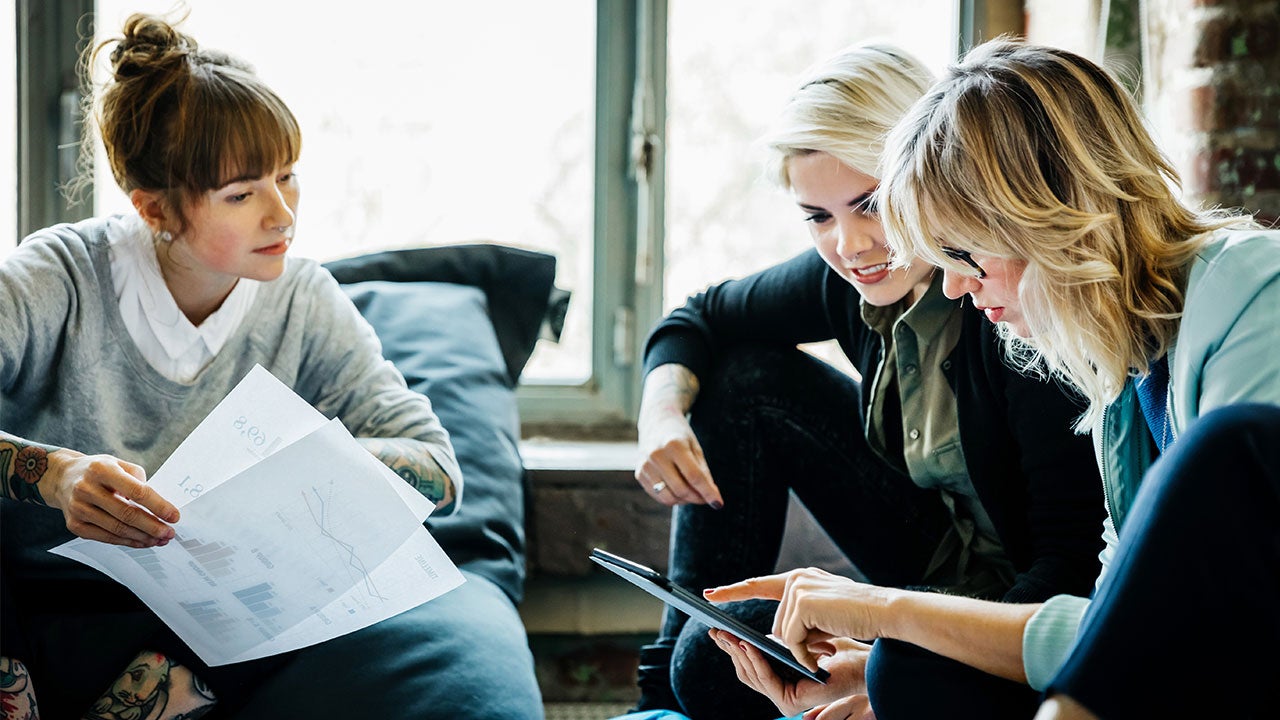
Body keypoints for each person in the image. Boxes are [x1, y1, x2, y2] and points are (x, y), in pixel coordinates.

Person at [709, 37, 1280, 720]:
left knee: (1226, 444)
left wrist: (888, 608)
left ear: (1046, 215)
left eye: (964, 252)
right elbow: (1110, 620)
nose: (953, 285)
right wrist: (877, 670)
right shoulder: (1118, 373)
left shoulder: (1250, 286)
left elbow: (1196, 624)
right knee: (902, 673)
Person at [0, 13, 542, 720]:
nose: (283, 214)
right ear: (154, 207)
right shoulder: (56, 276)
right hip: (30, 591)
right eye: (241, 193)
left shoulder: (304, 299)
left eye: (288, 178)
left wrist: (293, 475)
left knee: (298, 587)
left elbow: (438, 471)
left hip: (198, 623)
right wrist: (57, 477)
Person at [625, 42, 1106, 720]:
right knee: (743, 383)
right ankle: (654, 709)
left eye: (872, 205)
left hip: (1013, 609)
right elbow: (700, 317)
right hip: (926, 554)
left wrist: (895, 661)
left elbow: (1068, 579)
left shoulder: (1010, 306)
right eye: (818, 217)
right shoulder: (845, 280)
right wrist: (662, 413)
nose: (850, 248)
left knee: (716, 664)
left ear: (931, 175)